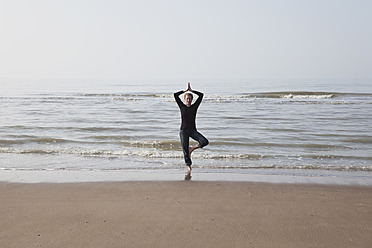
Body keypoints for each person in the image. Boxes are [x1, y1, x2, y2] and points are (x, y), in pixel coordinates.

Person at [174, 82, 209, 176]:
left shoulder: (194, 107)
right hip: (183, 131)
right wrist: (184, 91)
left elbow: (201, 95)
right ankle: (188, 166)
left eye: (190, 99)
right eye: (187, 99)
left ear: (192, 100)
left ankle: (192, 149)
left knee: (204, 141)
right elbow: (175, 95)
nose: (188, 100)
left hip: (193, 131)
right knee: (184, 149)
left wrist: (192, 91)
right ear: (185, 100)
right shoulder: (182, 106)